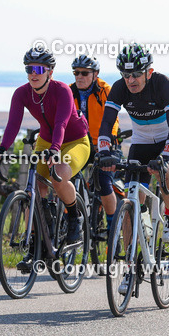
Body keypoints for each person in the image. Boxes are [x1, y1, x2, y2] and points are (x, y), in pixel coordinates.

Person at [0, 48, 90, 272]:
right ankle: (36, 244)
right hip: (46, 141)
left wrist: (56, 149)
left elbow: (61, 124)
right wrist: (0, 150)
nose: (33, 74)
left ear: (50, 72)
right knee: (33, 188)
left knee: (58, 176)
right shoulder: (21, 93)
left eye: (38, 69)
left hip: (74, 141)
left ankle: (74, 218)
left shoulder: (62, 90)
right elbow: (12, 125)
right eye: (29, 69)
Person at [98, 43, 169, 243]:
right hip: (142, 141)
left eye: (136, 74)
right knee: (131, 198)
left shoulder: (163, 84)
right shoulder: (120, 87)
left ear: (149, 72)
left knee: (166, 170)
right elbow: (106, 123)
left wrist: (165, 156)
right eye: (126, 75)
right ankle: (130, 266)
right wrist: (104, 151)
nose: (130, 80)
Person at [69, 54, 120, 245]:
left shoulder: (106, 90)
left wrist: (110, 137)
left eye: (84, 73)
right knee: (64, 176)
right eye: (76, 73)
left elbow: (112, 118)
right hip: (79, 144)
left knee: (104, 182)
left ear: (95, 74)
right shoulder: (68, 91)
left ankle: (112, 224)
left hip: (105, 144)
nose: (79, 76)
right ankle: (69, 218)